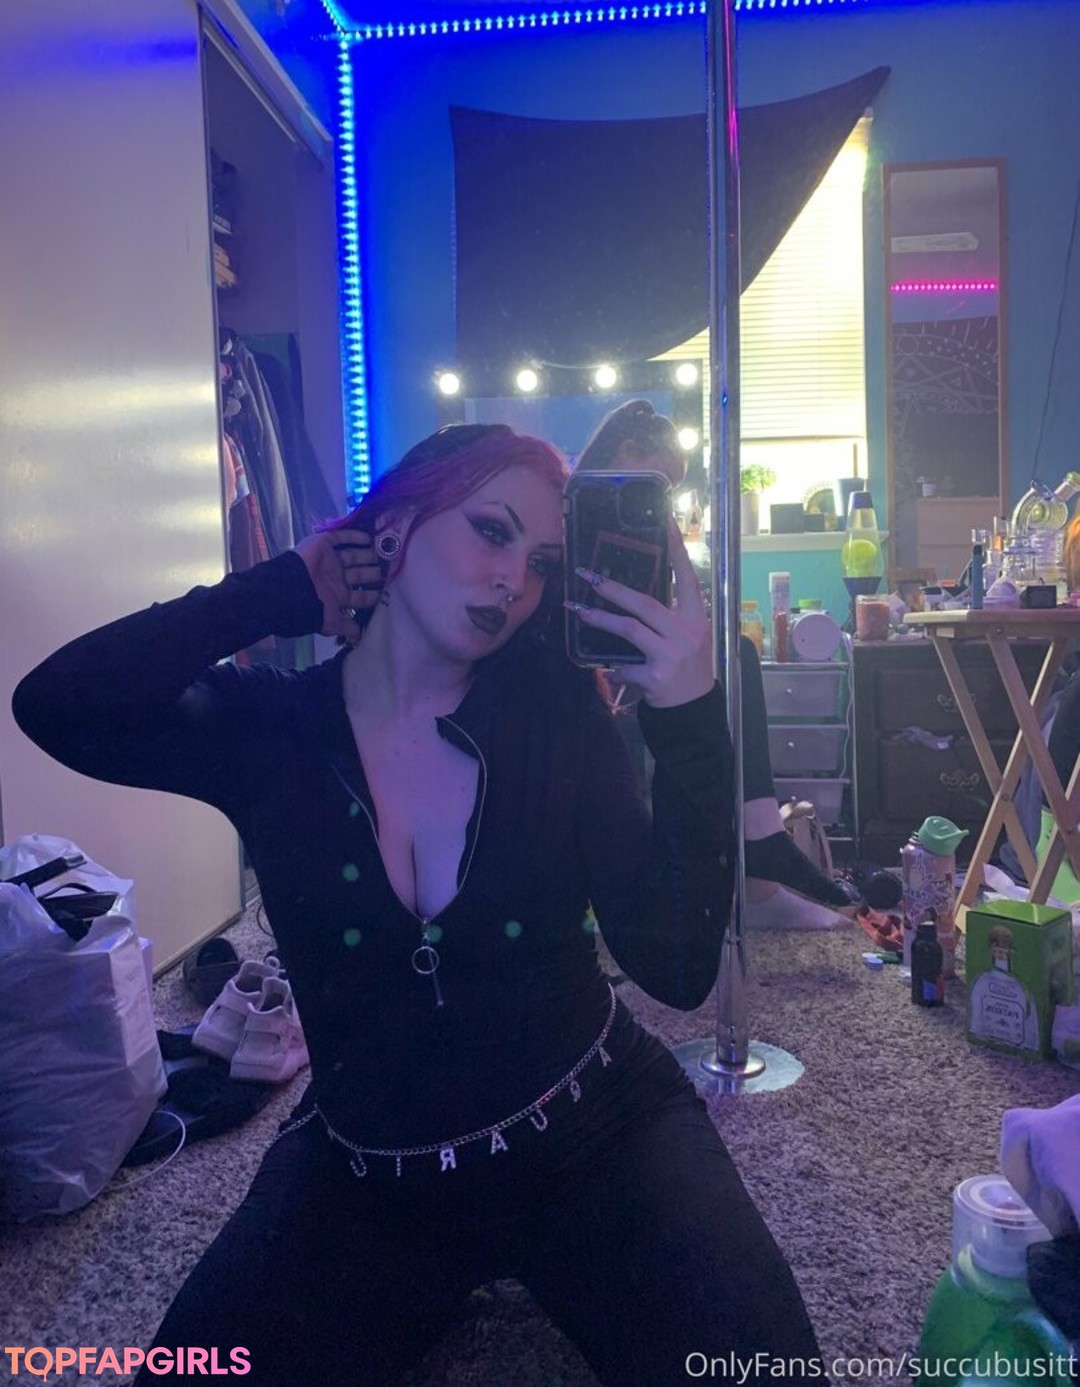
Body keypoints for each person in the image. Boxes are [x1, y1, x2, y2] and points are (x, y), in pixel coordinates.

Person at [13, 423, 825, 1385]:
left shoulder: (559, 711)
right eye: (492, 530)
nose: (514, 580)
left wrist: (689, 721)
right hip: (370, 1171)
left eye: (541, 562)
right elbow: (58, 702)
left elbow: (677, 967)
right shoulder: (271, 729)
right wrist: (280, 587)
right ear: (391, 532)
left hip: (599, 1131)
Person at [576, 398, 854, 929]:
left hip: (626, 657)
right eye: (662, 481)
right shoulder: (563, 511)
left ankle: (760, 840)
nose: (664, 497)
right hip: (577, 661)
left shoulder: (644, 527)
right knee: (722, 663)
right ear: (627, 453)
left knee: (735, 650)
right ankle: (758, 860)